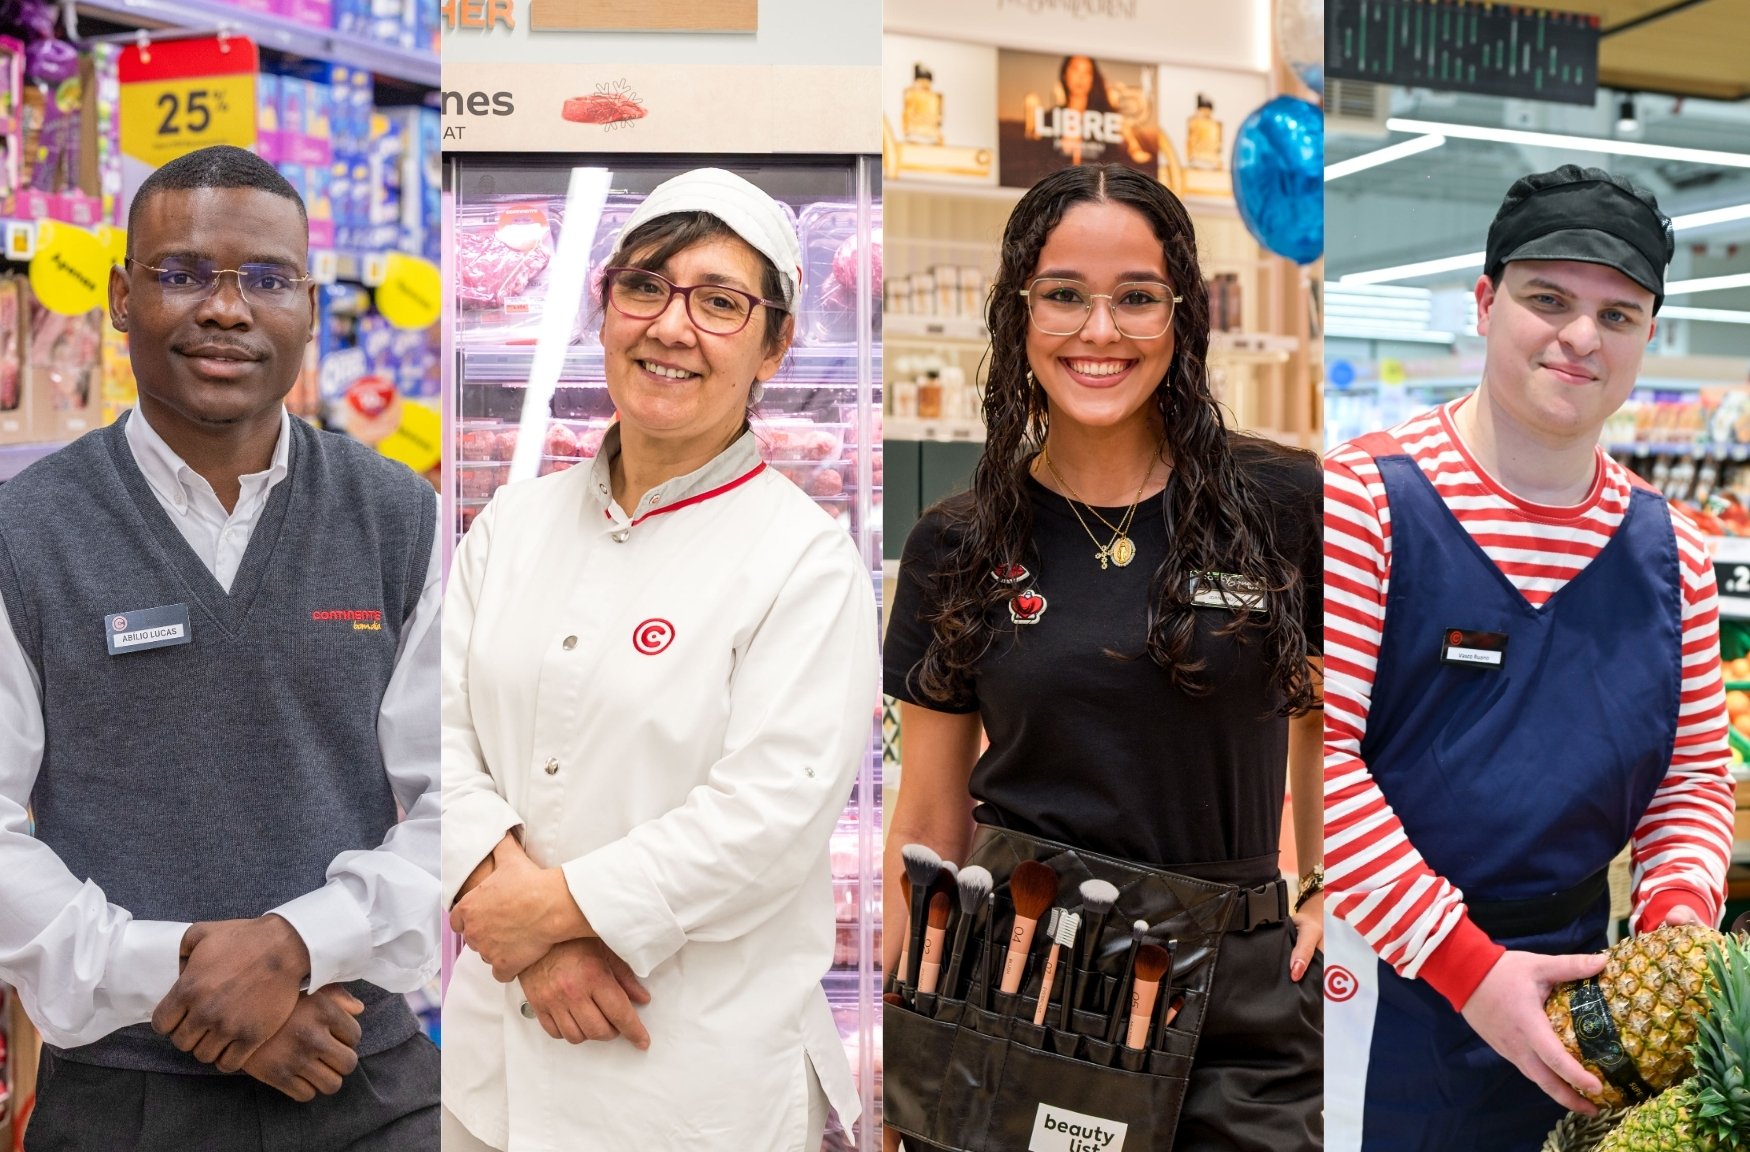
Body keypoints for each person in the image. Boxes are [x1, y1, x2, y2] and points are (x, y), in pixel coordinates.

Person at [0, 145, 442, 1149]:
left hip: (365, 1082)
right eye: (183, 273)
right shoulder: (25, 534)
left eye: (268, 280)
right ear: (119, 297)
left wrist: (298, 945)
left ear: (311, 309)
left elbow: (461, 799)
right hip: (123, 1098)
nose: (228, 309)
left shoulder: (396, 518)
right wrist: (187, 986)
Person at [883, 162, 1324, 1151]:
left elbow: (1337, 719)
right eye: (1064, 296)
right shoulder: (955, 545)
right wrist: (907, 1047)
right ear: (1018, 314)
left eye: (1135, 298)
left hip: (1243, 992)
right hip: (1028, 974)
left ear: (1180, 315)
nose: (1099, 331)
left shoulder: (1284, 507)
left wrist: (1331, 888)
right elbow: (927, 816)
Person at [440, 167, 878, 1152]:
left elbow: (766, 816)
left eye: (720, 303)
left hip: (685, 1085)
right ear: (604, 310)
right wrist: (528, 939)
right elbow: (433, 731)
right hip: (490, 1074)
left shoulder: (803, 561)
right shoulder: (510, 525)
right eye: (645, 286)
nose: (671, 326)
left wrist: (547, 910)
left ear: (775, 348)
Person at [1322, 166, 1738, 1150]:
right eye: (1546, 299)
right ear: (1483, 302)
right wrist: (1469, 968)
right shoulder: (1362, 504)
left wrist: (1671, 935)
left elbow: (1691, 782)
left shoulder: (1672, 550)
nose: (1581, 337)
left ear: (1646, 337)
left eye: (1618, 314)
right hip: (1385, 987)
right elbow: (1315, 761)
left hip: (1590, 1003)